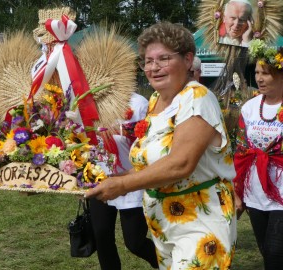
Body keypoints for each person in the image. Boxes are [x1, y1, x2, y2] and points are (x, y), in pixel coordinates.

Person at [86, 21, 237, 270]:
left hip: (199, 222)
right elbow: (152, 163)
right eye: (147, 60)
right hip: (164, 224)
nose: (153, 67)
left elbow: (181, 163)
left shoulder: (197, 97)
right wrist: (106, 181)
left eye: (164, 59)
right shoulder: (156, 100)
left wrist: (121, 185)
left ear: (188, 59)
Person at [90, 93, 158, 270]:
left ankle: (168, 265)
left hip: (131, 180)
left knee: (135, 242)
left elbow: (151, 138)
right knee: (102, 236)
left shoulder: (139, 103)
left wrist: (121, 130)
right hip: (99, 177)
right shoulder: (87, 101)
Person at [233, 43, 283, 269]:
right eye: (257, 73)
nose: (260, 78)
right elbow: (241, 150)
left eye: (266, 73)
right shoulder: (250, 108)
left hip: (281, 192)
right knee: (266, 251)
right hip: (256, 192)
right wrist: (237, 191)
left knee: (274, 252)